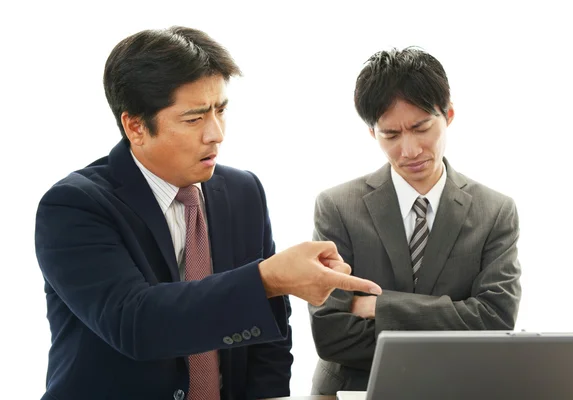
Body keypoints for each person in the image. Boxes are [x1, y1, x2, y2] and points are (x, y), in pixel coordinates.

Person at [34, 26, 381, 400]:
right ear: (135, 126)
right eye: (195, 118)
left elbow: (269, 337)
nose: (216, 133)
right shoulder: (73, 206)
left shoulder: (243, 191)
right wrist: (266, 279)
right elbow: (137, 323)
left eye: (221, 110)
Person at [308, 47, 522, 394]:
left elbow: (495, 321)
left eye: (421, 127)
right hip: (353, 391)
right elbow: (331, 333)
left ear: (448, 115)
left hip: (458, 389)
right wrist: (452, 321)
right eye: (390, 135)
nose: (409, 151)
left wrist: (380, 306)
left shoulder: (494, 212)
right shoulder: (337, 207)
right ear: (371, 133)